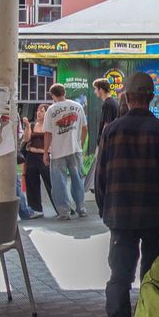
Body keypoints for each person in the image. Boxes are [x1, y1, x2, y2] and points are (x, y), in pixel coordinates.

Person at [99, 72, 159, 317]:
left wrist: (105, 211)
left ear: (128, 97)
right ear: (151, 98)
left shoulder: (112, 131)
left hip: (120, 215)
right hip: (154, 215)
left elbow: (101, 178)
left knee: (120, 276)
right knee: (152, 274)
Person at [42, 84, 88, 220]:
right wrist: (80, 143)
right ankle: (81, 208)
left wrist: (45, 152)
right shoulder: (78, 106)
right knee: (77, 180)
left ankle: (64, 212)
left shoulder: (51, 110)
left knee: (58, 182)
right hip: (75, 149)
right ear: (64, 92)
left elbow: (48, 133)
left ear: (52, 95)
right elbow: (85, 128)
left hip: (57, 152)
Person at [87, 78, 120, 217]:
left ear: (101, 89)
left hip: (106, 142)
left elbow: (107, 124)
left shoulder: (108, 104)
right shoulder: (113, 102)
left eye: (95, 89)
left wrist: (102, 143)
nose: (95, 92)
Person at [23, 103, 55, 214]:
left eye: (42, 111)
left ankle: (59, 207)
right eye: (38, 110)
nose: (39, 113)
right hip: (31, 156)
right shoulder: (32, 125)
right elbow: (27, 139)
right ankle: (35, 208)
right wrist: (27, 126)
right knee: (31, 181)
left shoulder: (50, 126)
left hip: (44, 156)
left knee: (50, 181)